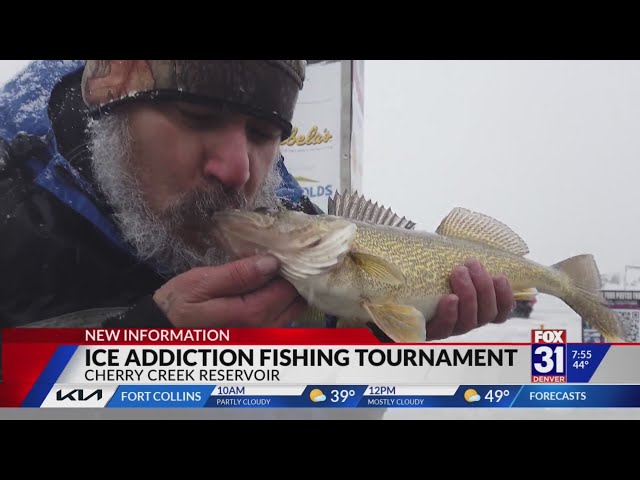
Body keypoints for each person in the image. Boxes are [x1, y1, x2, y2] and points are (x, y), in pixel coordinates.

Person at [0, 60, 514, 340]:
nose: (238, 169)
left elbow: (323, 394)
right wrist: (141, 343)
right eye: (198, 118)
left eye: (264, 133)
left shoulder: (295, 230)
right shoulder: (13, 197)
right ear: (109, 99)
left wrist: (381, 334)